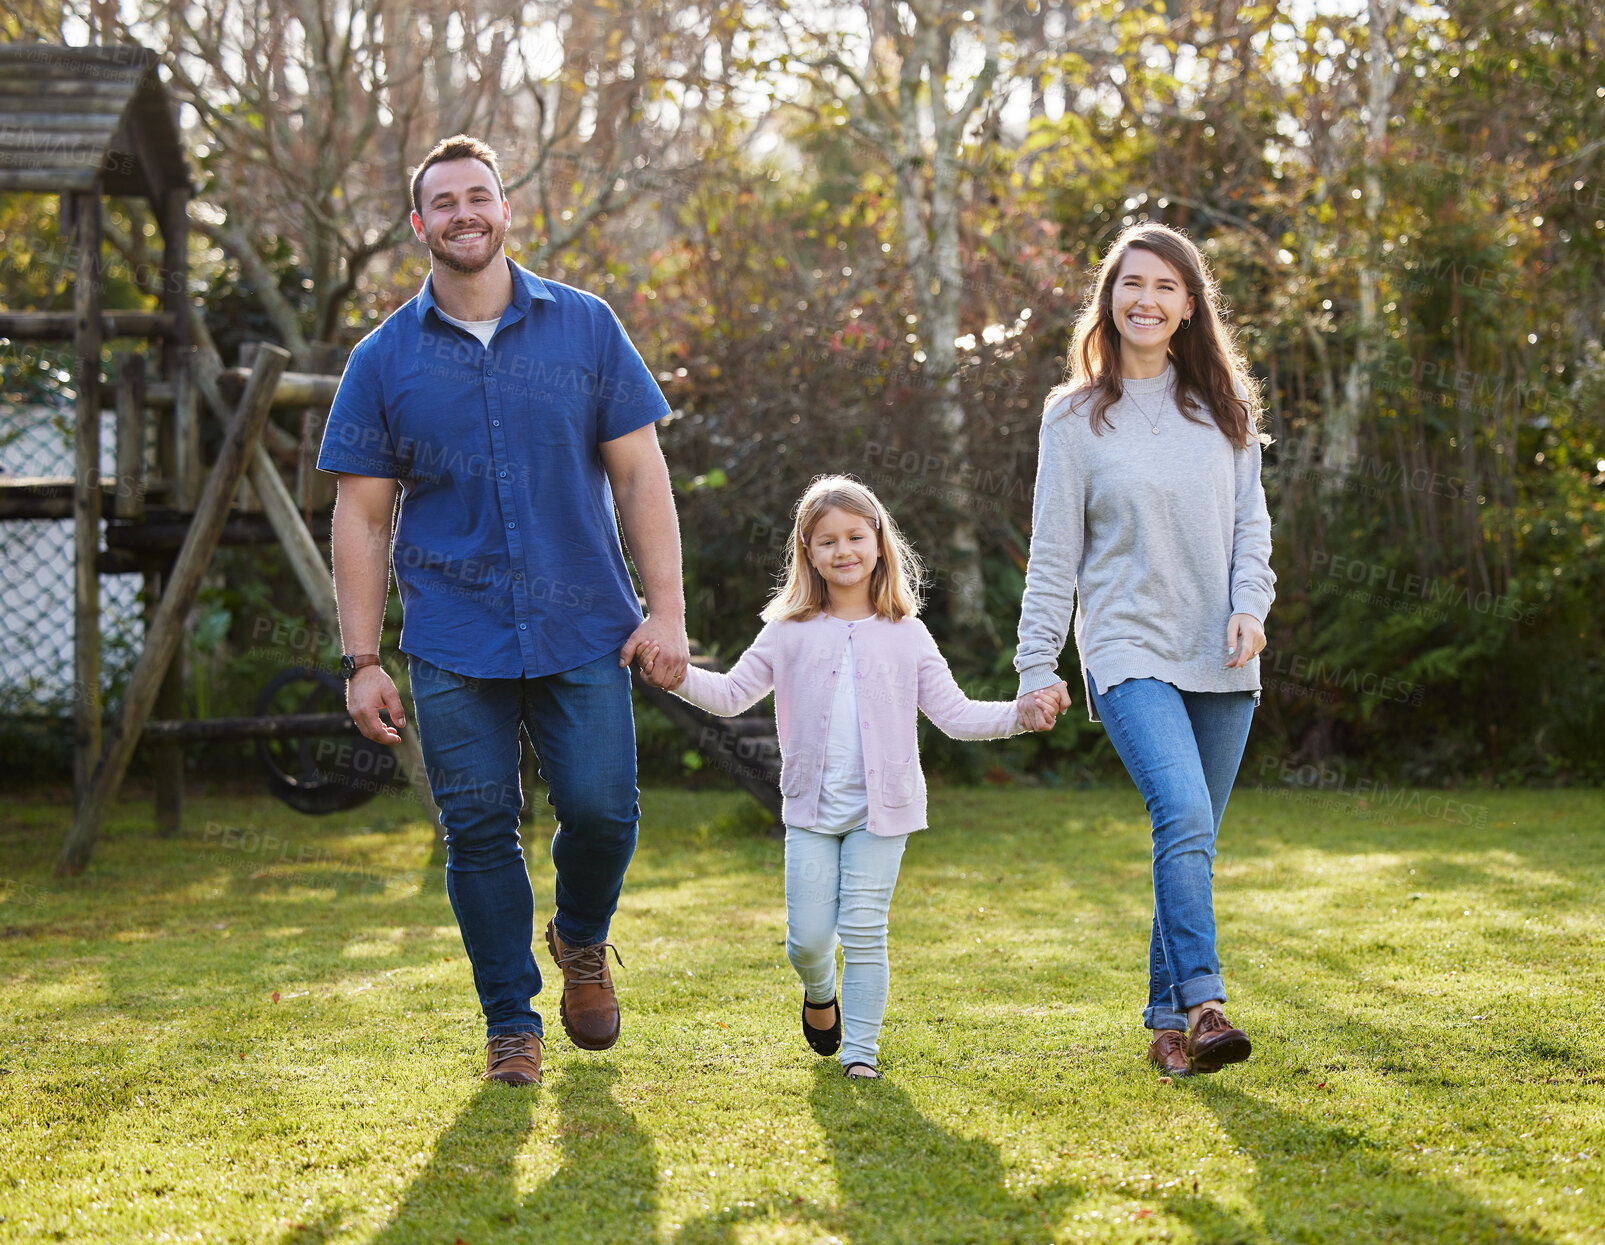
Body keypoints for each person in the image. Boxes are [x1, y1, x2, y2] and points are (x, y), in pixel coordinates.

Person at [317, 135, 689, 1088]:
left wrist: (668, 611)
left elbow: (640, 471)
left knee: (604, 812)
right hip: (453, 635)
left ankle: (581, 937)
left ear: (506, 208)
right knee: (478, 829)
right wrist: (362, 658)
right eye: (443, 202)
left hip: (584, 626)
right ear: (419, 225)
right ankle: (508, 1024)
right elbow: (360, 516)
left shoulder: (587, 327)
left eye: (478, 195)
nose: (463, 213)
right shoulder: (381, 358)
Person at [638, 476, 1058, 1078]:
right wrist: (674, 676)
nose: (844, 551)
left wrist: (1021, 713)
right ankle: (818, 991)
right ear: (806, 552)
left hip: (881, 812)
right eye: (827, 540)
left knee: (864, 929)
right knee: (807, 941)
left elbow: (957, 715)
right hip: (809, 810)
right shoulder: (788, 630)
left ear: (880, 542)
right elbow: (731, 695)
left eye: (856, 536)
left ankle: (862, 1054)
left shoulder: (906, 633)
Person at [1014, 222, 1276, 1078]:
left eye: (1165, 286)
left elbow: (1250, 531)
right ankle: (1205, 1003)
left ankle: (1165, 1021)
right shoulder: (1075, 417)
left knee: (1189, 837)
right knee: (1184, 816)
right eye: (1132, 284)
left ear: (1189, 305)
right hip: (1126, 647)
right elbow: (1053, 553)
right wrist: (1034, 664)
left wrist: (1250, 608)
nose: (1146, 300)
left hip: (1223, 654)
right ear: (1109, 298)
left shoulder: (1223, 410)